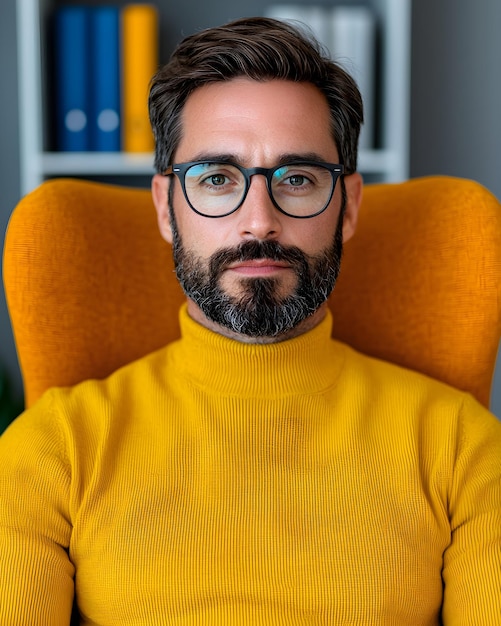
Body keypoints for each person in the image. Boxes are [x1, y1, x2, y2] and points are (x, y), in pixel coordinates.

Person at [1, 16, 500, 626]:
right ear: (166, 208)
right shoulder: (52, 450)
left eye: (296, 179)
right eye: (216, 179)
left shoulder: (465, 450)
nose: (258, 221)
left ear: (348, 207)